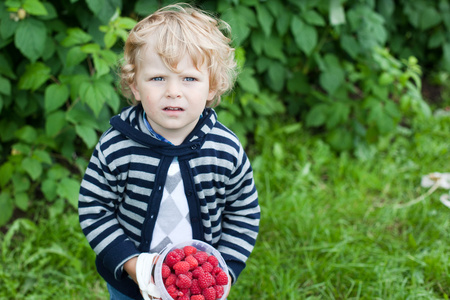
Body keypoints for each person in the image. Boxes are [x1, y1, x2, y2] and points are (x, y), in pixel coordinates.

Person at [78, 3, 260, 299]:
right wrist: (131, 264)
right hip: (132, 283)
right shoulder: (117, 146)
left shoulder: (224, 150)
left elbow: (244, 211)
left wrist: (224, 269)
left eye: (189, 78)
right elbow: (93, 207)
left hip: (198, 286)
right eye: (158, 78)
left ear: (212, 86)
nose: (173, 91)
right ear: (135, 85)